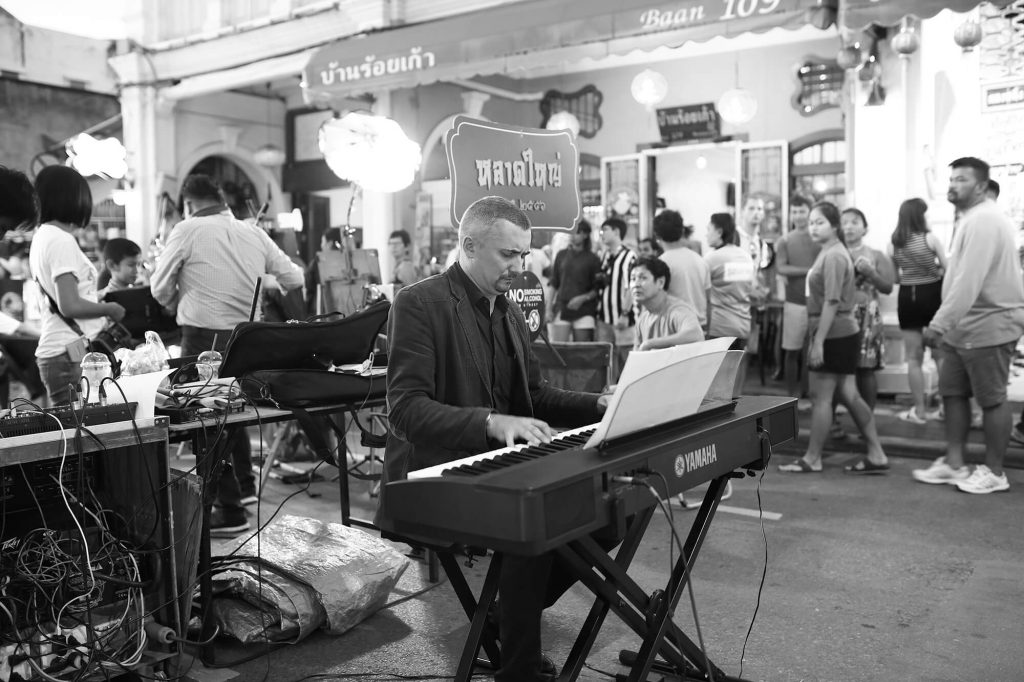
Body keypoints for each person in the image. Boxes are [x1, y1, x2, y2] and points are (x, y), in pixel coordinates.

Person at [377, 196, 608, 682]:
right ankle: (519, 669)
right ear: (468, 245)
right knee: (532, 528)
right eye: (509, 254)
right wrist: (491, 422)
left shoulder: (506, 311)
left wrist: (599, 404)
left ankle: (504, 615)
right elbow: (404, 410)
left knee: (610, 517)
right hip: (435, 471)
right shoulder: (419, 303)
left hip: (502, 466)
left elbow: (536, 394)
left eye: (524, 255)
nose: (520, 266)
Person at [151, 173, 304, 536]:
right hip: (247, 338)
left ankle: (229, 509)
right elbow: (295, 277)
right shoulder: (252, 231)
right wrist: (256, 280)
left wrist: (179, 296)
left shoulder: (187, 229)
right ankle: (245, 490)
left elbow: (158, 288)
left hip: (203, 337)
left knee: (206, 422)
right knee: (233, 415)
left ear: (189, 203)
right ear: (221, 198)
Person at [914, 157, 1024, 494]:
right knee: (953, 393)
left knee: (991, 399)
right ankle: (955, 462)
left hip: (987, 323)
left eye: (960, 179)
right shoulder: (973, 219)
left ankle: (994, 472)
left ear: (980, 185)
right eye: (951, 179)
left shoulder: (985, 220)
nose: (951, 185)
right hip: (965, 326)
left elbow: (968, 281)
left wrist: (938, 324)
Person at [778, 202, 888, 474]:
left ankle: (813, 457)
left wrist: (818, 341)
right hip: (838, 330)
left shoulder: (835, 256)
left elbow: (832, 300)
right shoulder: (829, 252)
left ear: (834, 225)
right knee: (848, 394)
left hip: (834, 331)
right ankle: (876, 453)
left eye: (820, 222)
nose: (813, 227)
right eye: (812, 222)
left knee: (822, 399)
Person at [30, 166, 125, 406]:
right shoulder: (61, 240)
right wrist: (110, 309)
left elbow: (64, 297)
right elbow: (70, 305)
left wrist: (97, 298)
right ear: (73, 197)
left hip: (65, 350)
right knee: (81, 434)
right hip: (66, 352)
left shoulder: (44, 235)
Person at [887, 198, 946, 424]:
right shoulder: (929, 238)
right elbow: (947, 269)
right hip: (932, 294)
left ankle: (919, 411)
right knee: (940, 355)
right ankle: (945, 408)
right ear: (919, 216)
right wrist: (933, 271)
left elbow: (894, 278)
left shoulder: (892, 243)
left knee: (914, 358)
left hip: (907, 297)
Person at [840, 208, 894, 411]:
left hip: (867, 317)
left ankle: (867, 419)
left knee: (865, 369)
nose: (849, 227)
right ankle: (835, 421)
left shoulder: (875, 254)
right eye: (844, 222)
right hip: (840, 315)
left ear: (865, 228)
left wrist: (871, 272)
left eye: (854, 222)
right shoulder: (834, 252)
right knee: (838, 370)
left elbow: (887, 287)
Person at [774, 195, 820, 401]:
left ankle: (808, 392)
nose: (798, 215)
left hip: (817, 303)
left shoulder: (819, 238)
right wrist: (808, 270)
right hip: (793, 302)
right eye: (794, 211)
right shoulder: (785, 240)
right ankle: (790, 396)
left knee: (810, 353)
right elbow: (781, 267)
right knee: (791, 351)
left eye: (802, 211)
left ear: (810, 212)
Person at [652, 210, 710, 329]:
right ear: (682, 231)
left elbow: (656, 302)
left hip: (674, 329)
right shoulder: (700, 261)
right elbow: (709, 300)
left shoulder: (659, 264)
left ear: (657, 235)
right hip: (700, 326)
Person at [631, 257, 704, 350]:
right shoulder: (643, 318)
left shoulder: (678, 310)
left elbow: (695, 335)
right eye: (633, 279)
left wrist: (650, 344)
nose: (636, 284)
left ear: (661, 282)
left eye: (643, 278)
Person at [595, 217, 636, 381]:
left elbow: (632, 287)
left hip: (621, 317)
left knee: (625, 359)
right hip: (604, 317)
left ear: (617, 232)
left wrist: (625, 313)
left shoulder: (629, 256)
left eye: (605, 230)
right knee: (607, 360)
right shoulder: (605, 255)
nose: (601, 234)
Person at [548, 219, 602, 342]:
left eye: (577, 232)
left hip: (585, 310)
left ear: (585, 235)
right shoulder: (561, 255)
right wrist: (548, 309)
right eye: (570, 232)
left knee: (582, 353)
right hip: (562, 307)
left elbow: (597, 288)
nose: (572, 235)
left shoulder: (593, 258)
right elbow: (554, 282)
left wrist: (582, 298)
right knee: (558, 351)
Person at [704, 213, 753, 345]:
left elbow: (701, 292)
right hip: (742, 327)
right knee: (735, 366)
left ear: (719, 232)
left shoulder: (712, 258)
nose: (706, 234)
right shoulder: (746, 257)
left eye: (708, 229)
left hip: (719, 329)